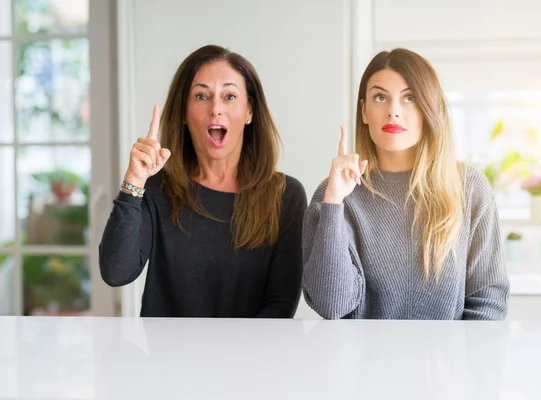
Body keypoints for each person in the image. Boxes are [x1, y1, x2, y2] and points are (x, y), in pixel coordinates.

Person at [99, 45, 307, 318]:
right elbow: (116, 272)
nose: (215, 108)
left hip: (251, 359)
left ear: (249, 112)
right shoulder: (156, 189)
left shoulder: (286, 195)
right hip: (169, 360)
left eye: (230, 96)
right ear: (184, 113)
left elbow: (281, 305)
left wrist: (230, 360)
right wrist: (134, 181)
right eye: (201, 96)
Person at [302, 48, 509, 320]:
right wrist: (333, 204)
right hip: (362, 363)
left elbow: (488, 303)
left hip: (448, 362)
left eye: (409, 98)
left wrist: (461, 361)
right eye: (380, 97)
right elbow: (332, 306)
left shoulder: (469, 188)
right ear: (364, 111)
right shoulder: (334, 196)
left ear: (428, 109)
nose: (393, 112)